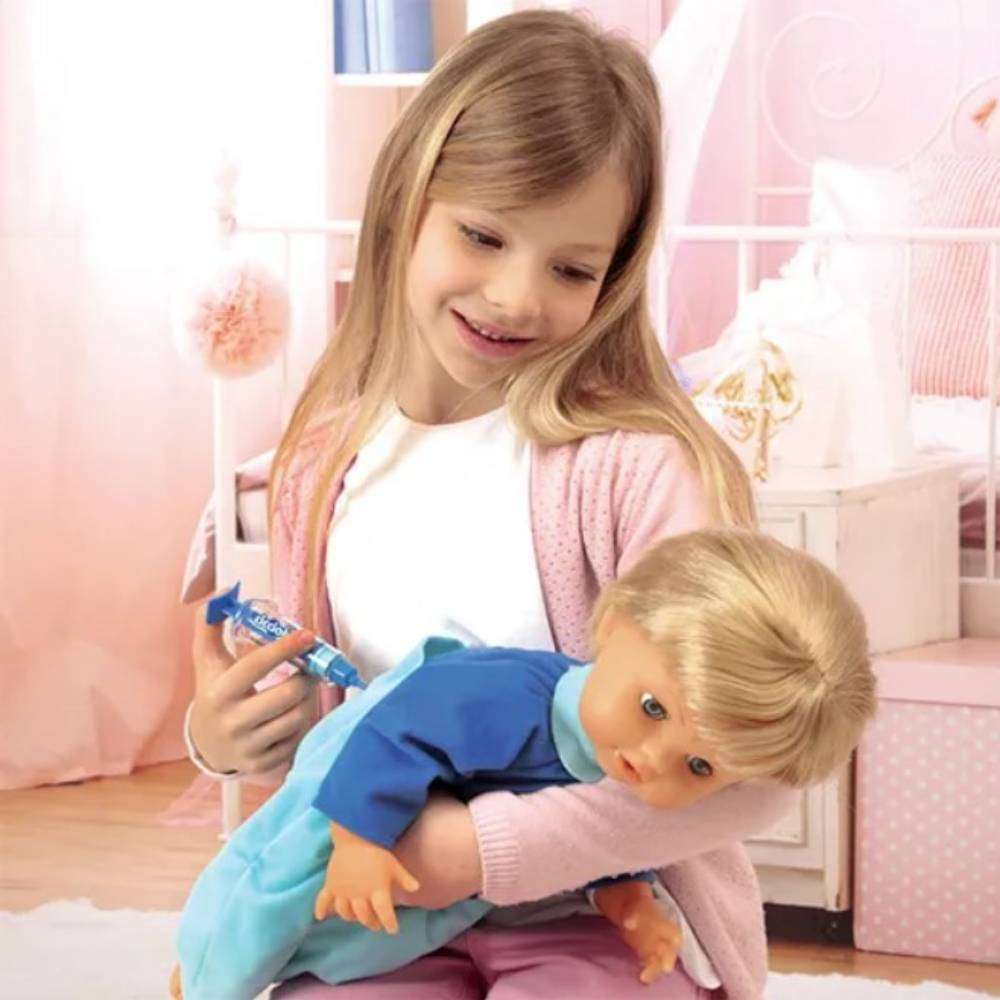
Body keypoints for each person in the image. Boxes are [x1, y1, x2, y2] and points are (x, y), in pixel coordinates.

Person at [186, 9, 806, 998]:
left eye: (571, 268)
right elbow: (338, 738)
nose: (517, 296)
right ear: (407, 204)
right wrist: (223, 743)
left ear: (614, 276)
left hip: (607, 914)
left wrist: (479, 848)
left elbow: (759, 773)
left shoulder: (637, 470)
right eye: (482, 235)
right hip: (384, 912)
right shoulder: (319, 461)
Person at [173, 529, 874, 1000]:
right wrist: (359, 842)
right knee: (282, 911)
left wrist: (628, 903)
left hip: (513, 907)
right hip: (385, 854)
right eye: (652, 708)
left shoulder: (613, 753)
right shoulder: (504, 694)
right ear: (614, 628)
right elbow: (390, 734)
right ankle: (207, 972)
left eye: (697, 767)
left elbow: (600, 844)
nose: (651, 760)